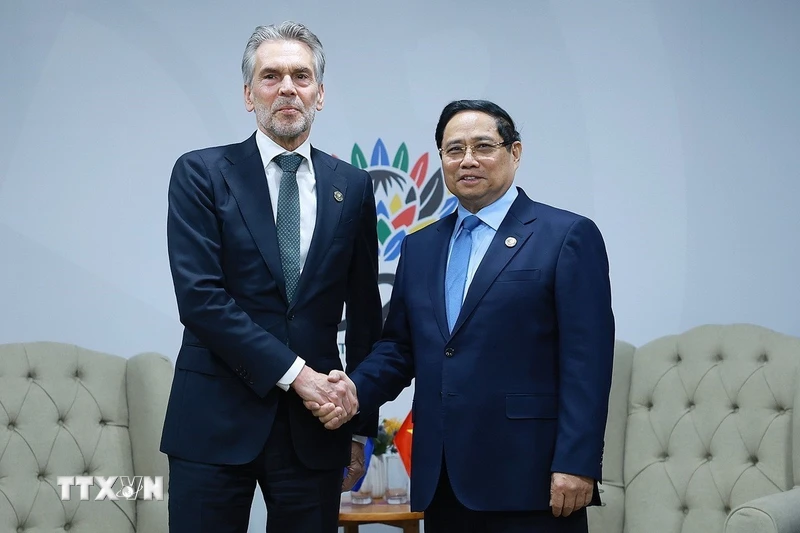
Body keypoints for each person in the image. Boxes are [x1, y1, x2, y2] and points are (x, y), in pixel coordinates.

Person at [309, 100, 615, 533]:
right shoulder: (421, 246)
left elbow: (588, 361)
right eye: (454, 150)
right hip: (443, 479)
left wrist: (577, 462)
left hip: (532, 477)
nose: (467, 159)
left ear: (515, 152)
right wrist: (353, 390)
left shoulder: (565, 235)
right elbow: (399, 347)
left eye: (483, 146)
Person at [159, 21, 381, 533]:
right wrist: (299, 376)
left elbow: (366, 314)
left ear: (319, 94)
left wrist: (358, 426)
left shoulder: (353, 186)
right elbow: (201, 300)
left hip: (316, 428)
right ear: (248, 94)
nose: (287, 88)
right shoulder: (201, 173)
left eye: (301, 76)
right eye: (271, 76)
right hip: (213, 420)